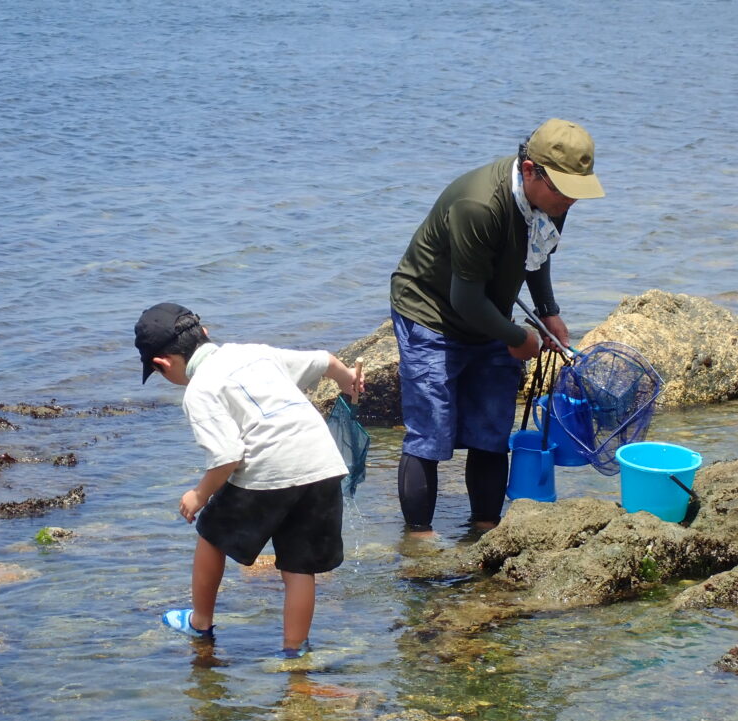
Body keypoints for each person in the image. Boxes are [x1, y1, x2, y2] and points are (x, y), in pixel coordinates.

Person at [389, 118, 605, 535]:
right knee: (430, 434)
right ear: (529, 171)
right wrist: (517, 337)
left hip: (487, 311)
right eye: (564, 190)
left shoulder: (553, 201)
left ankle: (484, 530)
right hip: (431, 313)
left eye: (578, 191)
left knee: (492, 429)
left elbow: (537, 254)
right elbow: (464, 299)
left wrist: (547, 310)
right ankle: (418, 543)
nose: (571, 201)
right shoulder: (479, 206)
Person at [134, 302, 363, 658]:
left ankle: (201, 622)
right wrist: (348, 379)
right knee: (299, 566)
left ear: (163, 364)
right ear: (205, 332)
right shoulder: (255, 352)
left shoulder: (199, 391)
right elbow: (324, 361)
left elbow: (227, 456)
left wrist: (199, 495)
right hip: (321, 462)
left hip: (269, 467)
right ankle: (294, 651)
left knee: (211, 536)